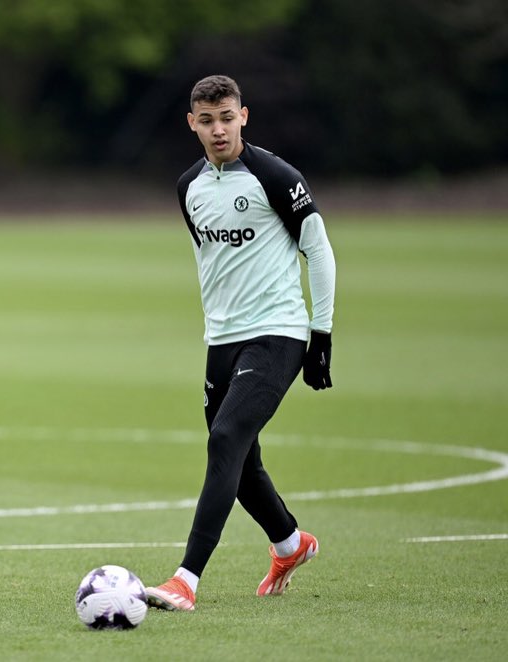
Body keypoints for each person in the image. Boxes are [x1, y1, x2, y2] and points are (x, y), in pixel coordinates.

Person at [144, 75, 335, 612]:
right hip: (221, 340)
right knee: (242, 463)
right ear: (192, 124)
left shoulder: (275, 175)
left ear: (243, 116)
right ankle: (292, 544)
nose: (218, 129)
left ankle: (186, 580)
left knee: (225, 437)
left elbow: (317, 250)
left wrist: (320, 334)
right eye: (207, 120)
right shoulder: (188, 187)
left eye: (227, 117)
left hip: (278, 332)